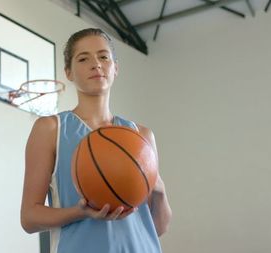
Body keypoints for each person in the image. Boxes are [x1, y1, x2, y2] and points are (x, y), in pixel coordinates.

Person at [20, 28, 172, 253]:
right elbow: (29, 218)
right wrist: (80, 212)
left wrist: (160, 191)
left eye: (103, 57)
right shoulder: (51, 129)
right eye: (83, 58)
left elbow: (157, 228)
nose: (96, 64)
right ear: (69, 72)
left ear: (115, 68)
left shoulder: (141, 135)